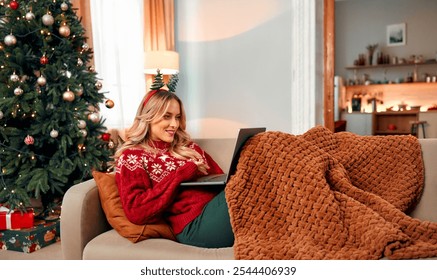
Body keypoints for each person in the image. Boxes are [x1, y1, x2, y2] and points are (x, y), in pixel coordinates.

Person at [113, 86, 234, 248]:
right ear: (148, 117)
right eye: (167, 117)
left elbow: (223, 180)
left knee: (252, 178)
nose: (174, 124)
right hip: (192, 226)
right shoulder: (133, 156)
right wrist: (181, 174)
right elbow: (137, 212)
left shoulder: (189, 148)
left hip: (215, 213)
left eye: (177, 117)